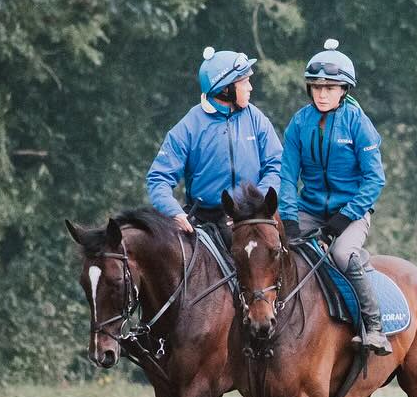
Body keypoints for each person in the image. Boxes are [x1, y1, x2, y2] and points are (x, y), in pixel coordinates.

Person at [278, 39, 391, 356]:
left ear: (344, 90)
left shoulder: (359, 124)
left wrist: (345, 216)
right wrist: (288, 219)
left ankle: (374, 328)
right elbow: (287, 176)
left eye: (330, 88)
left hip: (351, 212)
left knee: (342, 255)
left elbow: (374, 179)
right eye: (316, 87)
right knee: (272, 250)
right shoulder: (299, 123)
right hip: (309, 210)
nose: (322, 94)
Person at [146, 46, 282, 254]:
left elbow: (276, 166)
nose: (250, 88)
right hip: (204, 219)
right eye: (244, 82)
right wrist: (174, 212)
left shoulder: (256, 118)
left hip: (252, 214)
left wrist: (258, 201)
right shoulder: (188, 127)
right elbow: (158, 179)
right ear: (225, 89)